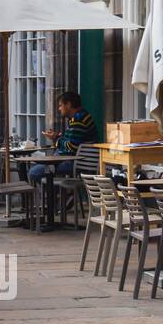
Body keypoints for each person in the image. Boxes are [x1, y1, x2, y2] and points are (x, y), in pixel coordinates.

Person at [30, 91, 97, 230]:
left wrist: (56, 139)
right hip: (70, 159)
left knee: (35, 172)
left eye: (61, 105)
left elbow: (71, 147)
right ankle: (54, 205)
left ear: (69, 104)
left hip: (75, 162)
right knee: (41, 167)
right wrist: (59, 137)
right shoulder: (78, 118)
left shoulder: (79, 120)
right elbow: (70, 141)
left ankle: (51, 208)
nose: (59, 109)